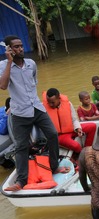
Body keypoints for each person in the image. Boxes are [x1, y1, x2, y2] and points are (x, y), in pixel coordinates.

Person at [0, 35, 63, 191]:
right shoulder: (3, 65)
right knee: (21, 146)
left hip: (36, 108)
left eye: (21, 46)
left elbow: (34, 81)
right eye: (16, 47)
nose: (20, 49)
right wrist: (9, 62)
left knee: (53, 134)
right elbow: (3, 85)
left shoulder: (31, 64)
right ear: (8, 49)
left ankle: (53, 167)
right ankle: (21, 181)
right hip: (19, 113)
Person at [43, 88, 97, 155]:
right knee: (76, 146)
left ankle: (87, 150)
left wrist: (78, 128)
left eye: (52, 102)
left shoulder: (68, 104)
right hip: (59, 136)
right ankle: (83, 155)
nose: (50, 105)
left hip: (71, 129)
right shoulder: (43, 108)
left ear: (58, 98)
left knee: (92, 126)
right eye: (49, 102)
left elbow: (74, 120)